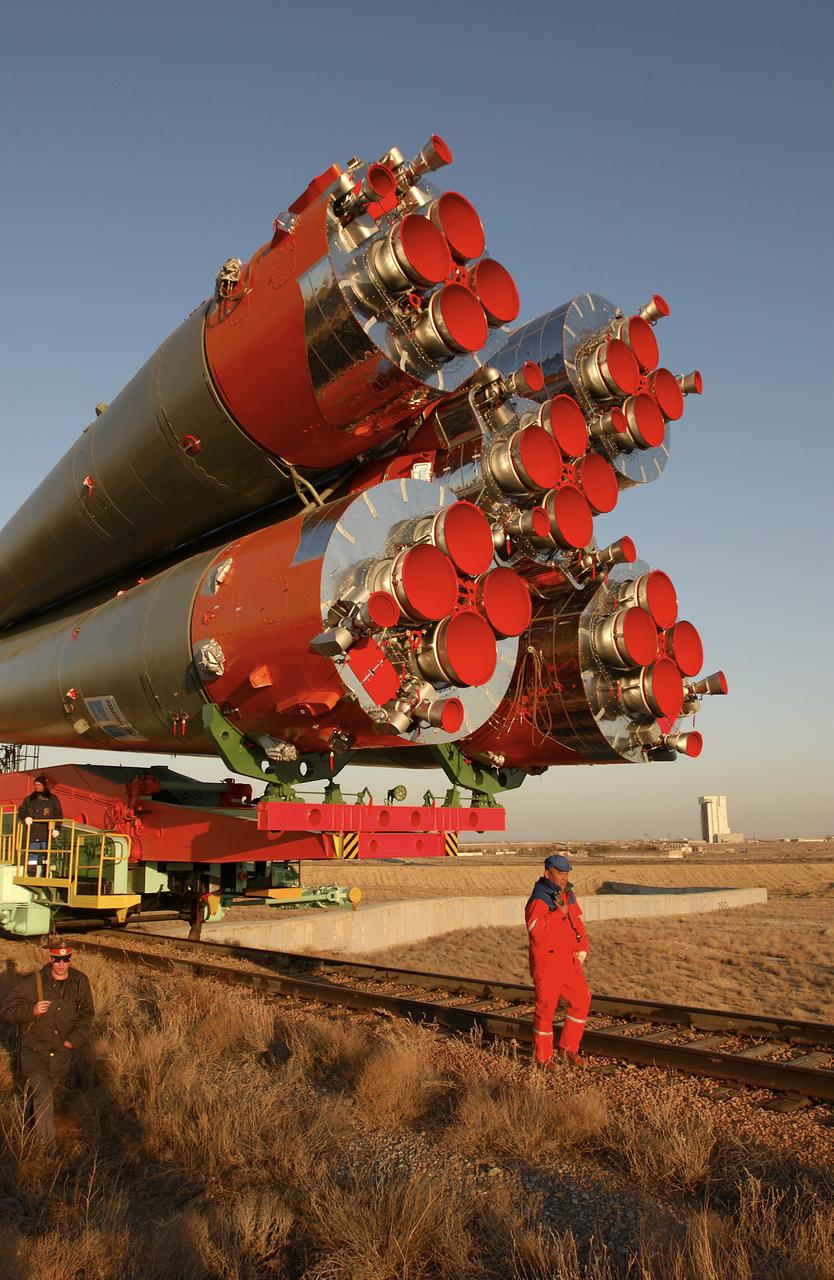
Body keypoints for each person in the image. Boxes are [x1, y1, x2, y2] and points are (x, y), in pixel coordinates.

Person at [0, 940, 94, 1152]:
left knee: (42, 1094)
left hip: (61, 1052)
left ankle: (29, 1130)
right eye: (57, 959)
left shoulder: (80, 982)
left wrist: (74, 1039)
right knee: (43, 1095)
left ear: (70, 958)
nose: (61, 964)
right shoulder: (31, 982)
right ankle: (47, 1150)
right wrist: (30, 1011)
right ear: (50, 958)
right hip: (34, 1051)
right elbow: (7, 1010)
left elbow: (87, 1013)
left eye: (66, 959)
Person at [525, 851, 591, 1068]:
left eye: (566, 872)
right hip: (547, 963)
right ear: (547, 873)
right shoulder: (539, 898)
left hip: (568, 960)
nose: (564, 876)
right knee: (546, 1010)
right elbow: (536, 929)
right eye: (560, 872)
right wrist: (558, 913)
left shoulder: (568, 895)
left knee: (581, 1000)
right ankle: (543, 1057)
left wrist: (582, 946)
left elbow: (577, 921)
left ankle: (568, 1048)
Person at [17, 773, 63, 875]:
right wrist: (26, 817)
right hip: (33, 832)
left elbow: (58, 814)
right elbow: (21, 810)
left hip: (46, 832)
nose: (36, 786)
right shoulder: (29, 799)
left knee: (46, 854)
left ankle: (45, 873)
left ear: (44, 786)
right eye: (36, 784)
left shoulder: (52, 799)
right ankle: (31, 873)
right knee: (32, 855)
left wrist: (57, 828)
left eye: (38, 784)